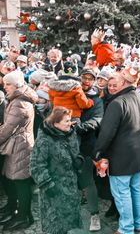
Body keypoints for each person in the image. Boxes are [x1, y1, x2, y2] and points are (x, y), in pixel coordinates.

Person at [93, 67, 140, 234]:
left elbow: (106, 133)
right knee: (135, 189)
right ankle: (138, 226)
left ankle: (126, 229)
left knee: (122, 192)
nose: (112, 87)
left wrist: (98, 153)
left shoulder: (117, 103)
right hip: (138, 153)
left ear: (124, 83)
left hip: (120, 156)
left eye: (116, 83)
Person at [30, 106, 82, 234]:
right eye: (66, 121)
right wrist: (48, 185)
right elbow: (36, 165)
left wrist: (78, 160)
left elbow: (75, 153)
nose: (70, 123)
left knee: (67, 225)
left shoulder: (70, 134)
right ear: (55, 123)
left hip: (70, 188)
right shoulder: (44, 140)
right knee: (56, 226)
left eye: (70, 120)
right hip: (54, 190)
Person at [0, 71, 37, 230]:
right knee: (11, 179)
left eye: (8, 84)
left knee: (21, 182)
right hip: (16, 146)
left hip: (20, 147)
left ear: (16, 85)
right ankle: (14, 209)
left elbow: (8, 128)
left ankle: (24, 217)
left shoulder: (20, 103)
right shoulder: (17, 99)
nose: (5, 87)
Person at [76, 68, 105, 231]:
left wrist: (79, 127)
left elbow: (97, 119)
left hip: (86, 144)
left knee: (88, 181)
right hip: (66, 144)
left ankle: (94, 215)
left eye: (90, 79)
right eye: (84, 78)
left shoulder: (97, 100)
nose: (86, 81)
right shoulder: (70, 93)